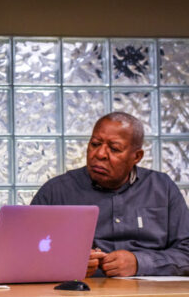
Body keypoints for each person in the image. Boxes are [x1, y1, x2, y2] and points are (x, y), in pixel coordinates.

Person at [31, 112, 189, 277]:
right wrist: (66, 264)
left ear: (137, 156)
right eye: (95, 144)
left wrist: (139, 263)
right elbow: (24, 253)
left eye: (114, 149)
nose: (100, 154)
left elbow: (186, 252)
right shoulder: (56, 192)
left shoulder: (162, 187)